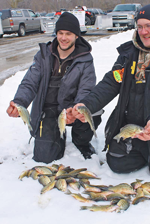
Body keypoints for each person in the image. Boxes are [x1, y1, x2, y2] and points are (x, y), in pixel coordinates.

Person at [72, 4, 150, 180]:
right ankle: (146, 152)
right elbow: (111, 82)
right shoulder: (129, 55)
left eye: (149, 26)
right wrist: (85, 105)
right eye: (139, 26)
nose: (143, 31)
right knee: (117, 163)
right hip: (135, 130)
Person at [6, 12, 102, 163]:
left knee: (93, 110)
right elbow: (29, 82)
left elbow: (86, 89)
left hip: (71, 107)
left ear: (77, 35)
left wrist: (76, 109)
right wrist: (19, 103)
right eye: (60, 33)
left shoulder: (85, 59)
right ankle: (56, 133)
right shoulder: (43, 55)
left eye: (68, 34)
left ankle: (81, 141)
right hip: (49, 108)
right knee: (44, 157)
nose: (63, 38)